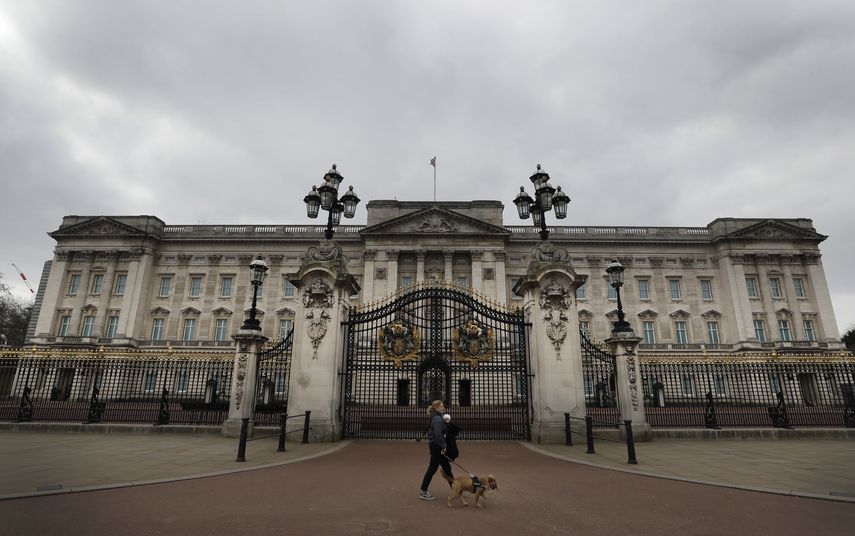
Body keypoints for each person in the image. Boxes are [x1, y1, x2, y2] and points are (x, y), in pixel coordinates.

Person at [418, 400, 454, 500]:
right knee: (432, 469)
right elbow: (438, 434)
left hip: (435, 445)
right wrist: (444, 445)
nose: (443, 408)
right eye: (442, 406)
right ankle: (423, 491)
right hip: (437, 446)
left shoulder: (435, 416)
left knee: (447, 468)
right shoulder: (437, 418)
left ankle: (455, 488)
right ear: (437, 407)